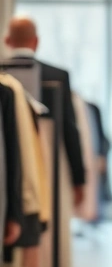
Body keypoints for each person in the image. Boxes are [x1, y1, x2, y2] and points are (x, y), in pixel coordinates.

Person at [5, 17, 87, 207]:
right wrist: (78, 179)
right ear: (36, 41)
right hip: (49, 166)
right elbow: (69, 129)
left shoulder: (3, 75)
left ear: (7, 40)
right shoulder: (57, 76)